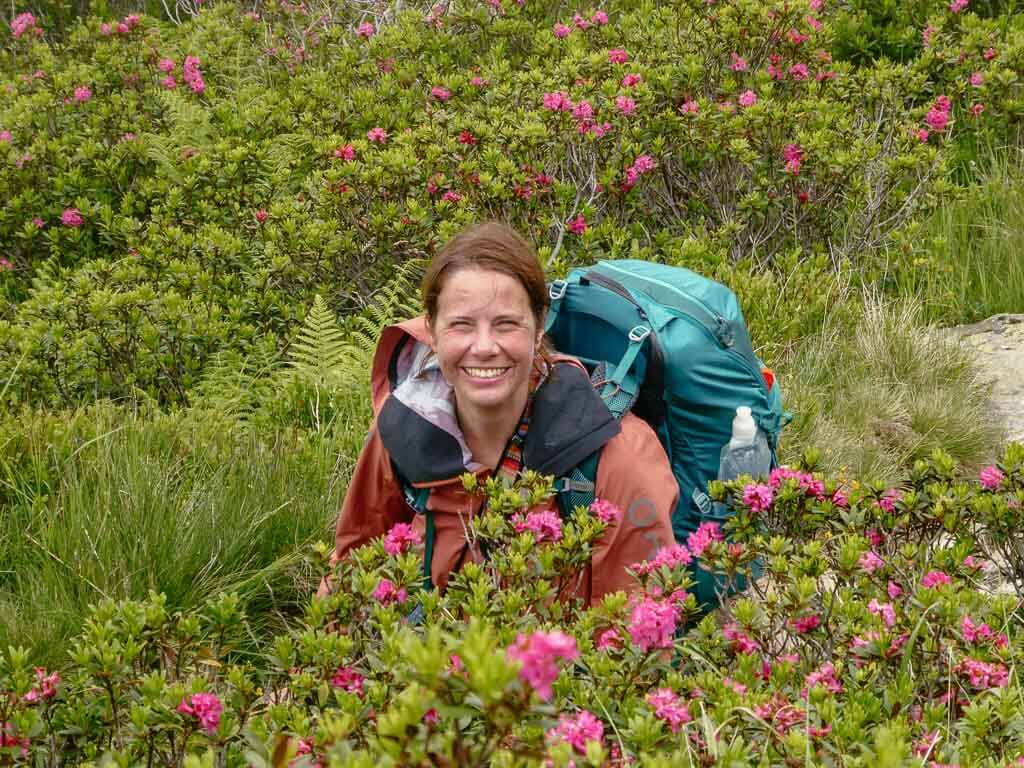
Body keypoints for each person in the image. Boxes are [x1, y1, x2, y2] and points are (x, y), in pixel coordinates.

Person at [319, 221, 676, 604]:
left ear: (538, 328)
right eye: (461, 325)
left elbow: (636, 633)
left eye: (506, 324)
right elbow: (353, 567)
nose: (485, 347)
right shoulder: (406, 425)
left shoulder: (616, 455)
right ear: (433, 332)